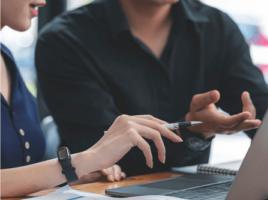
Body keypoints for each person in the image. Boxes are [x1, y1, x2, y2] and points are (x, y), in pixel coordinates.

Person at [35, 0, 268, 176]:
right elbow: (107, 155)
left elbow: (266, 114)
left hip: (192, 187)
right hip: (109, 191)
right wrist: (194, 130)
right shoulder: (64, 40)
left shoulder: (216, 27)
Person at [0, 0, 182, 197]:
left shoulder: (6, 59)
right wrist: (80, 162)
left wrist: (76, 173)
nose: (43, 1)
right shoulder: (61, 40)